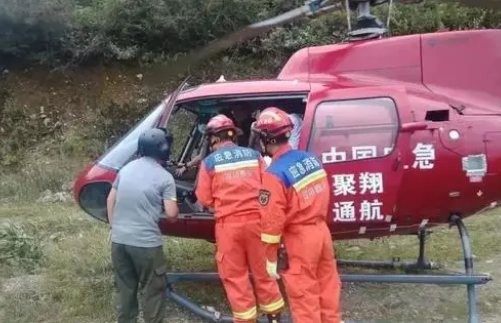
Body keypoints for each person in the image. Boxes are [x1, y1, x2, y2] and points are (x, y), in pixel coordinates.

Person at [252, 107, 343, 323]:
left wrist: (270, 257)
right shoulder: (310, 159)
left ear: (266, 139)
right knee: (328, 285)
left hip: (300, 239)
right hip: (321, 232)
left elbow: (272, 221)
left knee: (303, 293)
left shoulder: (273, 174)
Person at [195, 114, 285, 323]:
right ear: (233, 136)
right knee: (264, 273)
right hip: (258, 224)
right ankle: (274, 318)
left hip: (229, 227)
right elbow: (268, 188)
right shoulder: (254, 156)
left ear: (214, 139)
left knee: (235, 277)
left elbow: (205, 198)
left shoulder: (209, 163)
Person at [106, 127, 179, 323]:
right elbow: (172, 215)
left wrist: (114, 228)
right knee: (153, 290)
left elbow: (110, 198)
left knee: (125, 289)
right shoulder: (165, 178)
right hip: (146, 244)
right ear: (164, 149)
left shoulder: (126, 168)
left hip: (119, 241)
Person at [175, 106, 255, 177]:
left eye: (237, 110)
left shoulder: (210, 162)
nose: (235, 113)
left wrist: (186, 166)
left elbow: (203, 154)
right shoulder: (254, 156)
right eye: (233, 110)